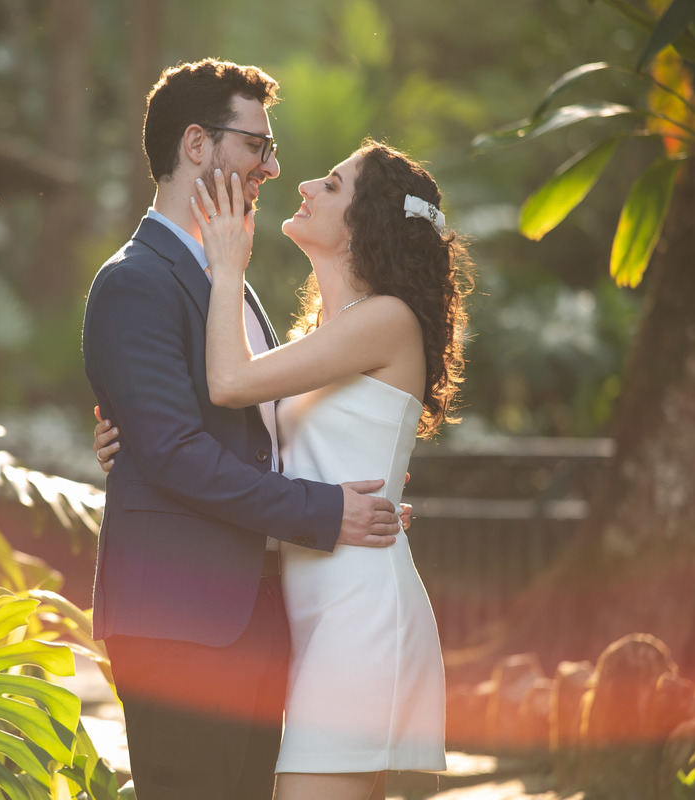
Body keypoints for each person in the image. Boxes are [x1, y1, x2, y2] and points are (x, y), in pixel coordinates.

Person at [99, 141, 471, 799]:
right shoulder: (321, 331)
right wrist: (132, 434)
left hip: (357, 610)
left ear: (368, 222)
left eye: (331, 184)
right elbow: (256, 438)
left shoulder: (384, 320)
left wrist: (225, 265)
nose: (302, 185)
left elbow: (229, 380)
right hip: (308, 615)